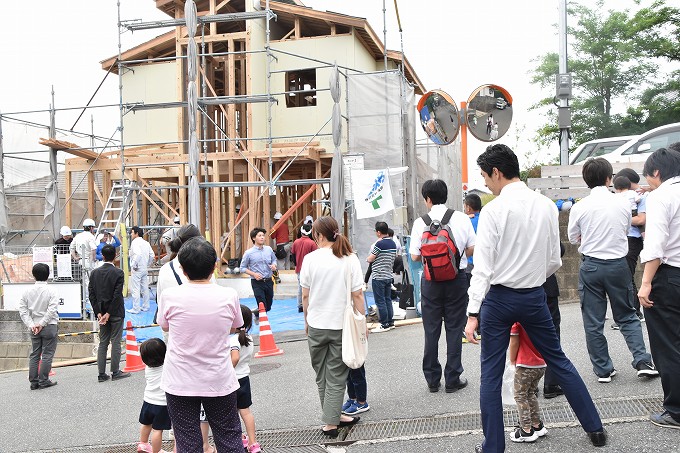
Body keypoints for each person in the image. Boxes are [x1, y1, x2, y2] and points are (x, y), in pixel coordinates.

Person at [465, 144, 606, 452]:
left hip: (499, 300)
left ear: (497, 172)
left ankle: (493, 447)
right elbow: (555, 259)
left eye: (485, 176)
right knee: (559, 360)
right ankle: (596, 429)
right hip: (534, 295)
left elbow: (483, 268)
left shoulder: (493, 210)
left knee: (490, 373)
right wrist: (532, 276)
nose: (485, 183)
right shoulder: (545, 205)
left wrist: (473, 312)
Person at [567, 157, 658, 383]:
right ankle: (643, 361)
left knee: (594, 321)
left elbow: (572, 238)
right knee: (627, 315)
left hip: (591, 266)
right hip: (618, 264)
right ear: (609, 178)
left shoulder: (579, 207)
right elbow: (626, 227)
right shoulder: (622, 203)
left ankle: (604, 370)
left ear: (586, 180)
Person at [157, 238, 244, 452]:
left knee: (187, 441)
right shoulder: (228, 295)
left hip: (180, 379)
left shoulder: (170, 296)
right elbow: (236, 326)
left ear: (183, 269)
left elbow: (164, 326)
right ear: (214, 266)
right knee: (229, 437)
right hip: (219, 377)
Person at [300, 216, 365, 438]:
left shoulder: (310, 259)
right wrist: (363, 321)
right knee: (337, 374)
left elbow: (305, 295)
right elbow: (357, 294)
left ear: (318, 235)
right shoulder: (349, 258)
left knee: (321, 374)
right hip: (340, 325)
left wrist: (307, 321)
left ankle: (334, 415)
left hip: (317, 324)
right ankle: (331, 422)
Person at [409, 179, 475, 393]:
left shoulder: (421, 222)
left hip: (430, 282)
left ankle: (432, 380)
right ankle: (453, 378)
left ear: (427, 198)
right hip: (457, 280)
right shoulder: (462, 218)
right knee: (455, 329)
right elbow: (472, 249)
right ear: (445, 195)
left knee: (431, 330)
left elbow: (415, 256)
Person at [154, 224, 214, 450]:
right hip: (206, 343)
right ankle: (205, 445)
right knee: (206, 398)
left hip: (178, 342)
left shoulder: (165, 270)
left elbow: (162, 316)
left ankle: (181, 443)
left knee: (182, 398)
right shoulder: (204, 268)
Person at [637, 145, 680, 429]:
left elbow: (655, 245)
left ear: (656, 171)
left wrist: (645, 282)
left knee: (668, 345)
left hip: (669, 276)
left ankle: (675, 411)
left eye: (649, 176)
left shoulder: (661, 196)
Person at [89, 244, 131, 383]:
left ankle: (101, 373)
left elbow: (92, 295)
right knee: (116, 341)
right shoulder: (118, 273)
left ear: (103, 256)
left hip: (101, 312)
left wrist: (99, 313)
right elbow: (117, 295)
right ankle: (115, 371)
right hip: (116, 312)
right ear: (115, 256)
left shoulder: (94, 273)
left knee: (103, 342)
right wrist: (109, 313)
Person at [613, 167, 647, 326]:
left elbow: (641, 220)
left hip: (632, 239)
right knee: (623, 275)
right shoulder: (629, 197)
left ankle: (634, 312)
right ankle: (630, 313)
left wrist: (620, 216)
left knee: (626, 275)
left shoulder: (642, 196)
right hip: (623, 238)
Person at [18, 263, 59, 390]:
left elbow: (22, 309)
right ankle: (43, 380)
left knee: (35, 354)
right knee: (47, 354)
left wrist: (32, 324)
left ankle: (33, 381)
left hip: (34, 327)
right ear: (48, 275)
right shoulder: (51, 290)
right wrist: (42, 323)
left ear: (33, 275)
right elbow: (52, 309)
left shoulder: (27, 291)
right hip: (49, 325)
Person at [508, 322, 547, 443]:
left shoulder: (517, 323)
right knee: (530, 393)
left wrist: (512, 361)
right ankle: (537, 425)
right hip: (540, 363)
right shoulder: (538, 315)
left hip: (525, 364)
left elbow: (514, 342)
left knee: (520, 396)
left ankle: (526, 430)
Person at [230, 305, 261, 453]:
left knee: (232, 413)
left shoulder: (233, 340)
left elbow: (234, 357)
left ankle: (239, 439)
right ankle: (253, 442)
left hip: (232, 380)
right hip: (244, 379)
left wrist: (227, 370)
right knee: (246, 412)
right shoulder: (248, 338)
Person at [137, 338, 171, 453]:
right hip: (161, 404)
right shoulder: (167, 367)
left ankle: (143, 444)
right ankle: (156, 451)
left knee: (146, 424)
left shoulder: (148, 368)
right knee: (157, 430)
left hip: (147, 401)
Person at [542, 243, 566, 399]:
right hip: (546, 282)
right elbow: (560, 249)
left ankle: (527, 383)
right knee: (551, 334)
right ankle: (551, 383)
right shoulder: (544, 219)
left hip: (520, 286)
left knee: (524, 336)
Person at [367, 221, 397, 333]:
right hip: (388, 275)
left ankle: (384, 324)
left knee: (380, 301)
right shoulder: (392, 243)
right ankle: (390, 322)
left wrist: (367, 258)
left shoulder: (379, 244)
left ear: (378, 232)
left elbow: (371, 258)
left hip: (378, 276)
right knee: (388, 299)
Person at [241, 227, 277, 313]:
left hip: (268, 281)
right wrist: (254, 274)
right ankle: (260, 317)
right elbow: (242, 268)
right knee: (262, 305)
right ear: (253, 238)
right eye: (259, 235)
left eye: (263, 235)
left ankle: (256, 314)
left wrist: (274, 265)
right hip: (257, 282)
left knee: (268, 306)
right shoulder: (249, 253)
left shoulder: (269, 249)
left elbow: (274, 260)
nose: (262, 237)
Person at [70, 218, 97, 312]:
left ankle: (84, 302)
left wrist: (75, 257)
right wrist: (93, 259)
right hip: (88, 261)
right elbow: (93, 249)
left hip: (80, 261)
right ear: (90, 228)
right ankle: (89, 304)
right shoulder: (91, 236)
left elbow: (71, 248)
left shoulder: (78, 236)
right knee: (90, 282)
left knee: (83, 282)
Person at [290, 224, 317, 313]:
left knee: (300, 287)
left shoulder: (296, 242)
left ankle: (300, 305)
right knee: (311, 287)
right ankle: (310, 305)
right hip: (310, 269)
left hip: (299, 269)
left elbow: (293, 255)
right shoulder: (312, 243)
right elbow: (315, 257)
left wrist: (296, 265)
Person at [128, 226, 155, 314]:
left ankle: (136, 308)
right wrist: (147, 264)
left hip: (137, 268)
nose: (131, 234)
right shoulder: (146, 243)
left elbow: (138, 254)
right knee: (145, 287)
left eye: (132, 232)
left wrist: (133, 264)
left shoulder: (135, 242)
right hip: (144, 268)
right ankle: (146, 306)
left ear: (136, 233)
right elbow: (152, 255)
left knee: (135, 288)